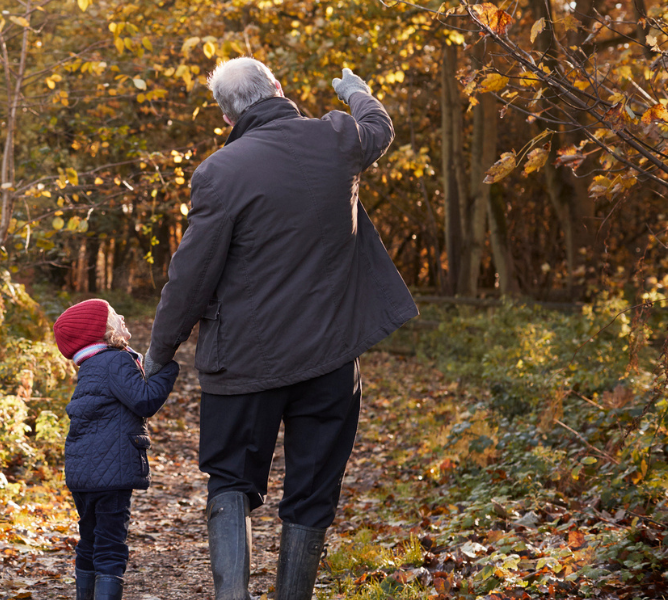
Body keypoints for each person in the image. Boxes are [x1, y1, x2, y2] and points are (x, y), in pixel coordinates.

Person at [141, 58, 418, 600]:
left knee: (231, 480)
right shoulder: (338, 137)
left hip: (244, 362)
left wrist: (160, 351)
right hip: (330, 359)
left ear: (226, 116)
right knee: (313, 488)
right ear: (276, 88)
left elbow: (190, 277)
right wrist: (357, 91)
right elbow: (380, 128)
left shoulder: (219, 172)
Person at [53, 298, 181, 600]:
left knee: (89, 540)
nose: (121, 316)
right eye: (113, 315)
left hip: (83, 474)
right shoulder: (116, 360)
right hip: (111, 474)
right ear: (101, 331)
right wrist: (168, 370)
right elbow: (144, 400)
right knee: (110, 545)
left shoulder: (91, 365)